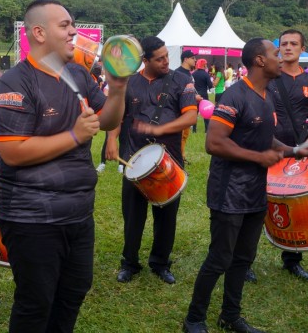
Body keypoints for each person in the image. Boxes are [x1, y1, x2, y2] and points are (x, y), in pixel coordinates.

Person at [0, 0, 128, 333]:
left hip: (77, 211)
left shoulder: (78, 73)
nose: (73, 31)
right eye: (64, 25)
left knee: (74, 291)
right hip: (31, 215)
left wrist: (119, 89)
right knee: (36, 302)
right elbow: (12, 153)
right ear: (38, 32)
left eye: (72, 24)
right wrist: (75, 135)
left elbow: (107, 120)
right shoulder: (15, 83)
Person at [182, 38, 308, 333]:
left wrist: (293, 151)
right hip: (228, 192)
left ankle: (230, 315)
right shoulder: (235, 97)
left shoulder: (266, 96)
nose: (281, 58)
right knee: (220, 258)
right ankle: (194, 319)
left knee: (243, 257)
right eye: (275, 53)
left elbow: (266, 138)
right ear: (260, 61)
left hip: (254, 191)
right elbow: (214, 143)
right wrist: (258, 156)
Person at [107, 36, 197, 285]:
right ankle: (129, 263)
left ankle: (160, 262)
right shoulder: (130, 82)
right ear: (144, 60)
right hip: (133, 161)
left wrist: (159, 130)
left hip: (169, 160)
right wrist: (112, 140)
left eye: (167, 56)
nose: (166, 61)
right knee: (133, 216)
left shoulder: (181, 80)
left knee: (166, 217)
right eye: (159, 59)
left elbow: (190, 117)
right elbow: (117, 115)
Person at [247, 29, 308, 282]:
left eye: (294, 43)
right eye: (284, 43)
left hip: (300, 152)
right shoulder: (270, 77)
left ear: (302, 48)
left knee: (296, 205)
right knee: (257, 205)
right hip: (269, 149)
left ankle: (292, 260)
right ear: (278, 47)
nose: (289, 47)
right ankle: (245, 260)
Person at [175, 49, 200, 160]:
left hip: (188, 108)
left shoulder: (189, 74)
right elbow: (177, 93)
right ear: (186, 59)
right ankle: (178, 155)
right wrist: (194, 97)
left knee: (185, 134)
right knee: (179, 135)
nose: (195, 60)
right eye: (193, 58)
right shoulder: (178, 73)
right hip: (180, 110)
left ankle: (182, 154)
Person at [193, 58, 214, 133]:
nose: (206, 65)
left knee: (195, 113)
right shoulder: (206, 74)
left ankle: (194, 130)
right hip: (204, 96)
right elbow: (210, 86)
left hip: (195, 95)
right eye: (205, 64)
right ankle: (206, 130)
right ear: (204, 65)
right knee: (206, 112)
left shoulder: (193, 74)